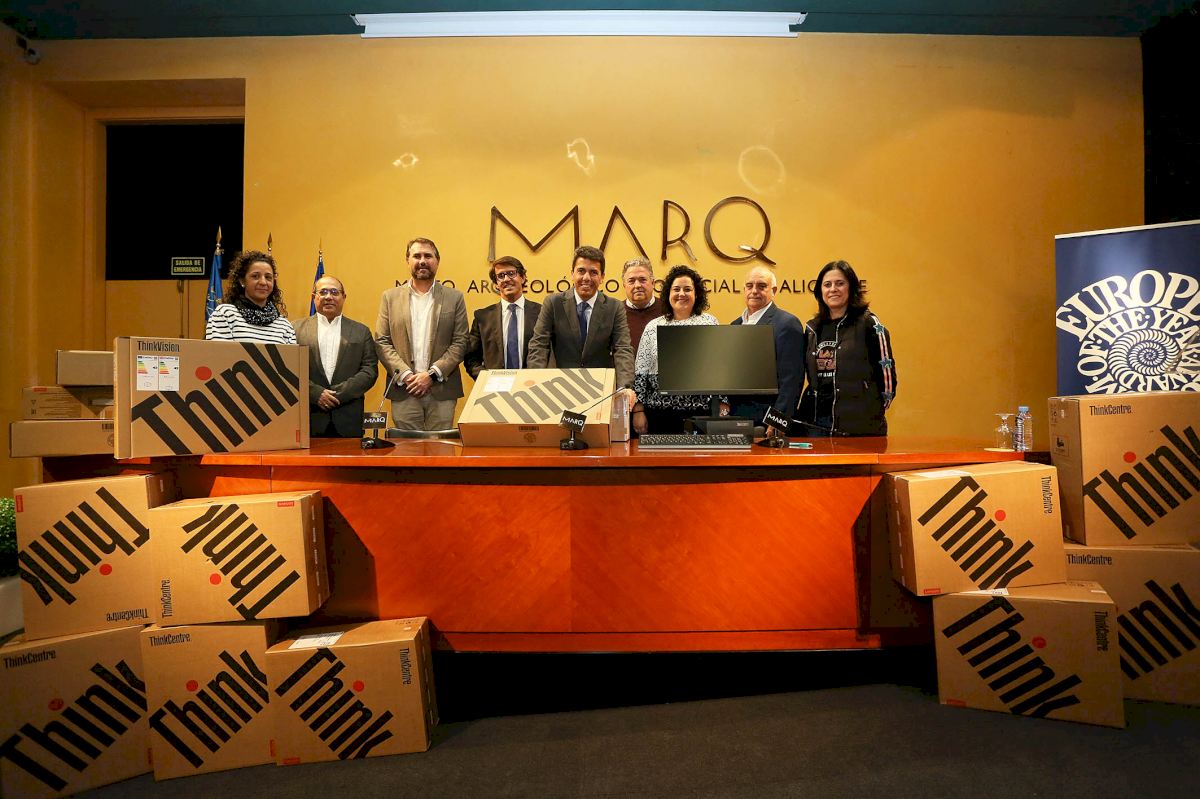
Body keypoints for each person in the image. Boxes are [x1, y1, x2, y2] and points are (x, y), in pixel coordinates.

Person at [375, 237, 469, 431]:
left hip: (442, 390)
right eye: (417, 256)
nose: (422, 261)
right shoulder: (390, 297)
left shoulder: (455, 297)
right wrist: (407, 375)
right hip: (404, 389)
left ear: (437, 261)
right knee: (407, 448)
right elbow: (382, 341)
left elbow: (460, 341)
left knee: (441, 447)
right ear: (408, 260)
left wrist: (431, 375)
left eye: (428, 256)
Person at [797, 260, 897, 436]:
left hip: (859, 424)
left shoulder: (869, 324)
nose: (833, 289)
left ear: (851, 288)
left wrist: (871, 408)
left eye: (840, 283)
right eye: (827, 285)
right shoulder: (812, 328)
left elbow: (886, 374)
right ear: (820, 291)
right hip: (818, 424)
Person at [527, 245, 635, 391]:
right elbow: (539, 345)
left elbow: (623, 349)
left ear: (602, 277)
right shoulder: (553, 303)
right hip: (559, 387)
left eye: (593, 272)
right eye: (581, 271)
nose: (586, 278)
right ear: (572, 274)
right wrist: (534, 383)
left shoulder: (614, 307)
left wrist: (625, 388)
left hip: (600, 389)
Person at [631, 265, 720, 435]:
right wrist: (638, 411)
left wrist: (723, 403)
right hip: (660, 414)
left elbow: (719, 367)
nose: (681, 294)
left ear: (696, 294)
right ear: (668, 294)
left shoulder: (709, 323)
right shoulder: (653, 326)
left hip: (701, 413)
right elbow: (641, 373)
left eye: (687, 289)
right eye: (676, 289)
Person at [293, 275, 379, 437]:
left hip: (348, 419)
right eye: (323, 292)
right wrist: (316, 393)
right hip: (309, 417)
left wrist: (336, 395)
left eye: (334, 292)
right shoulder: (295, 329)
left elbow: (370, 371)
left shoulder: (361, 331)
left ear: (343, 297)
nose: (328, 297)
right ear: (313, 297)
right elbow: (289, 370)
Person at [727, 265, 804, 429]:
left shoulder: (787, 324)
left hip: (766, 422)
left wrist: (777, 421)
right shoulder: (735, 325)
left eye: (761, 286)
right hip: (736, 419)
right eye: (749, 286)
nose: (754, 291)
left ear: (773, 291)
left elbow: (791, 380)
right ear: (744, 290)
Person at [464, 256, 543, 379]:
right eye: (501, 276)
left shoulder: (541, 313)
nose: (506, 279)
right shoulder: (482, 317)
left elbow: (549, 353)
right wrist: (486, 379)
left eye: (511, 273)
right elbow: (471, 358)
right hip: (494, 387)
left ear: (522, 277)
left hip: (533, 384)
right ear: (496, 284)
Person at [204, 250, 297, 344]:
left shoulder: (285, 326)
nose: (263, 282)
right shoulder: (225, 314)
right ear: (242, 281)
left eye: (268, 277)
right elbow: (219, 352)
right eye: (255, 276)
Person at [621, 258, 664, 357]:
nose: (637, 285)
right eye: (631, 281)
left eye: (642, 280)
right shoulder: (614, 313)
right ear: (624, 285)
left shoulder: (669, 310)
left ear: (653, 283)